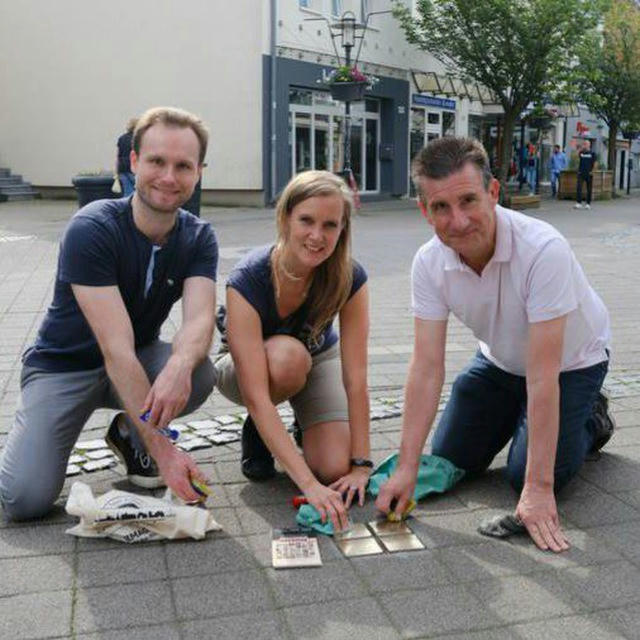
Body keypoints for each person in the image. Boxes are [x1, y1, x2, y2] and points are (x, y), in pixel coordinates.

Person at [375, 137, 613, 553]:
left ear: (494, 192)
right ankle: (517, 415)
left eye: (468, 200)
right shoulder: (429, 263)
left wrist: (538, 488)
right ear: (424, 211)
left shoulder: (543, 249)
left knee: (526, 474)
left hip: (571, 364)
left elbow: (543, 376)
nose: (458, 221)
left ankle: (592, 417)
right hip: (500, 361)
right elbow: (427, 366)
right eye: (441, 208)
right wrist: (406, 466)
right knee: (449, 458)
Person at [0, 107, 218, 520]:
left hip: (135, 359)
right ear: (133, 162)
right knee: (23, 499)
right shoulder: (93, 227)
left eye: (183, 165)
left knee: (200, 371)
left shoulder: (199, 236)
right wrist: (167, 452)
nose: (169, 177)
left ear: (199, 171)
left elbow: (200, 319)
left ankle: (129, 433)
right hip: (64, 367)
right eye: (156, 161)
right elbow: (115, 349)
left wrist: (180, 365)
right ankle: (46, 434)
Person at [215, 170, 370, 532]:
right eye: (306, 220)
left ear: (343, 230)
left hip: (317, 360)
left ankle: (301, 426)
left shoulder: (350, 276)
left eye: (330, 225)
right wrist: (310, 487)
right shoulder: (249, 278)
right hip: (243, 371)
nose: (317, 236)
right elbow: (255, 393)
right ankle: (259, 430)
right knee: (287, 357)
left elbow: (356, 377)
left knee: (334, 467)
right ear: (285, 217)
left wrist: (362, 464)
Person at [116, 118, 137, 196]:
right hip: (134, 168)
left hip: (123, 168)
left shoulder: (122, 138)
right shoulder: (138, 139)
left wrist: (116, 171)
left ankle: (127, 207)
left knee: (127, 191)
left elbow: (118, 155)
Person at [575, 139, 596, 209]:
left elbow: (595, 163)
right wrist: (580, 148)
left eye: (586, 144)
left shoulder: (592, 153)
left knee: (589, 188)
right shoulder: (581, 152)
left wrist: (592, 171)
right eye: (584, 144)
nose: (585, 145)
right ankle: (578, 203)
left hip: (589, 173)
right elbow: (576, 156)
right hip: (581, 172)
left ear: (589, 145)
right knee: (579, 187)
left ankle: (588, 203)